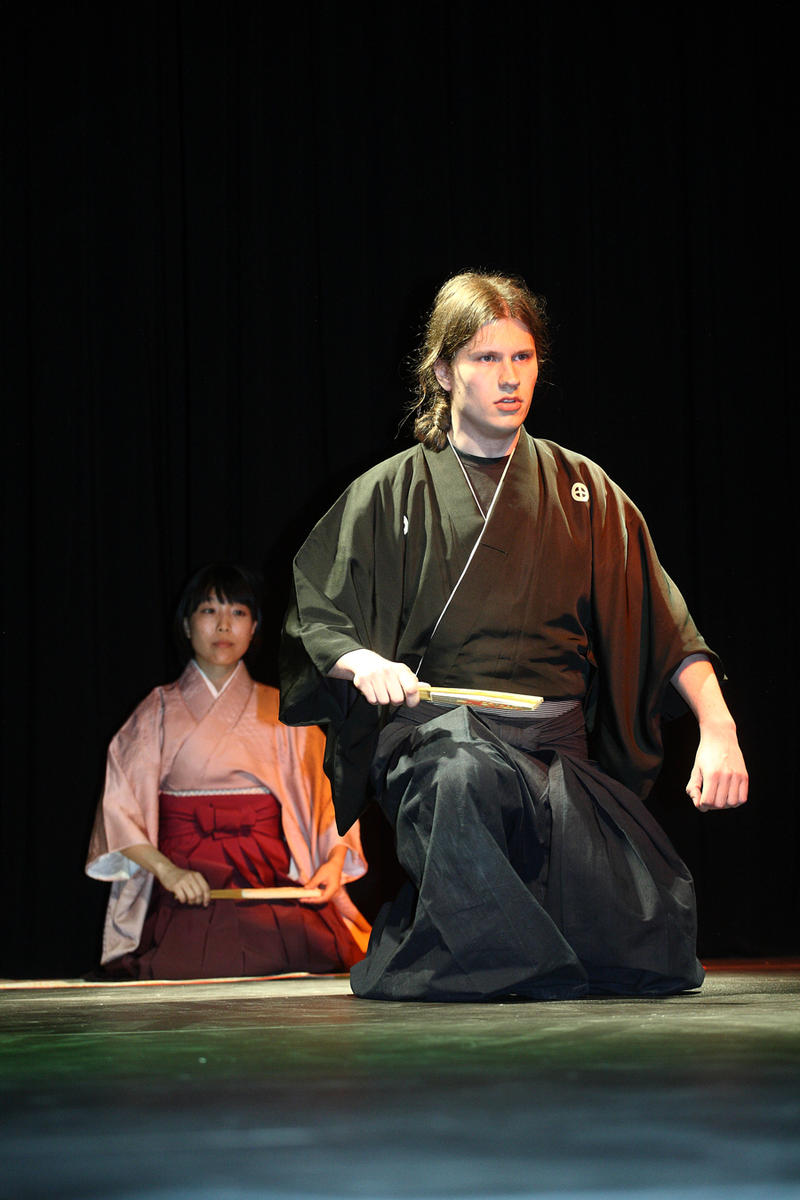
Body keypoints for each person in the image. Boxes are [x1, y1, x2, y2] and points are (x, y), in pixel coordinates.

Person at [279, 270, 749, 1003]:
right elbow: (318, 612)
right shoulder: (391, 492)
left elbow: (663, 622)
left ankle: (502, 949)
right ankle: (495, 956)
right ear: (444, 372)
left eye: (522, 357)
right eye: (486, 358)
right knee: (463, 780)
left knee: (653, 942)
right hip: (441, 740)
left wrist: (718, 726)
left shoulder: (583, 491)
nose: (509, 377)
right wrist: (362, 661)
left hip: (553, 750)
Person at [86, 562, 370, 980]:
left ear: (254, 628)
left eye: (238, 612)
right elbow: (119, 810)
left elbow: (328, 799)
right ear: (187, 625)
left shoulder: (283, 712)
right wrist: (168, 872)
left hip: (268, 873)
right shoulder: (157, 710)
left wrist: (333, 862)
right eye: (209, 611)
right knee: (187, 959)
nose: (223, 625)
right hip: (188, 878)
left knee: (312, 948)